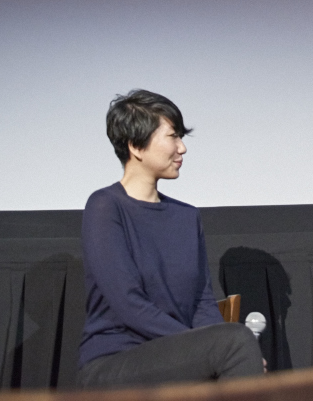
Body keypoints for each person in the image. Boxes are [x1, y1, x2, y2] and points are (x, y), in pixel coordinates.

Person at [76, 89, 264, 388]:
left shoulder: (187, 217)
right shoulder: (105, 206)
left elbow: (202, 303)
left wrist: (220, 348)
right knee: (234, 342)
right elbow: (128, 304)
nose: (182, 148)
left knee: (236, 345)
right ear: (136, 146)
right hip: (115, 362)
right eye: (173, 136)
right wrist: (213, 347)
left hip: (177, 355)